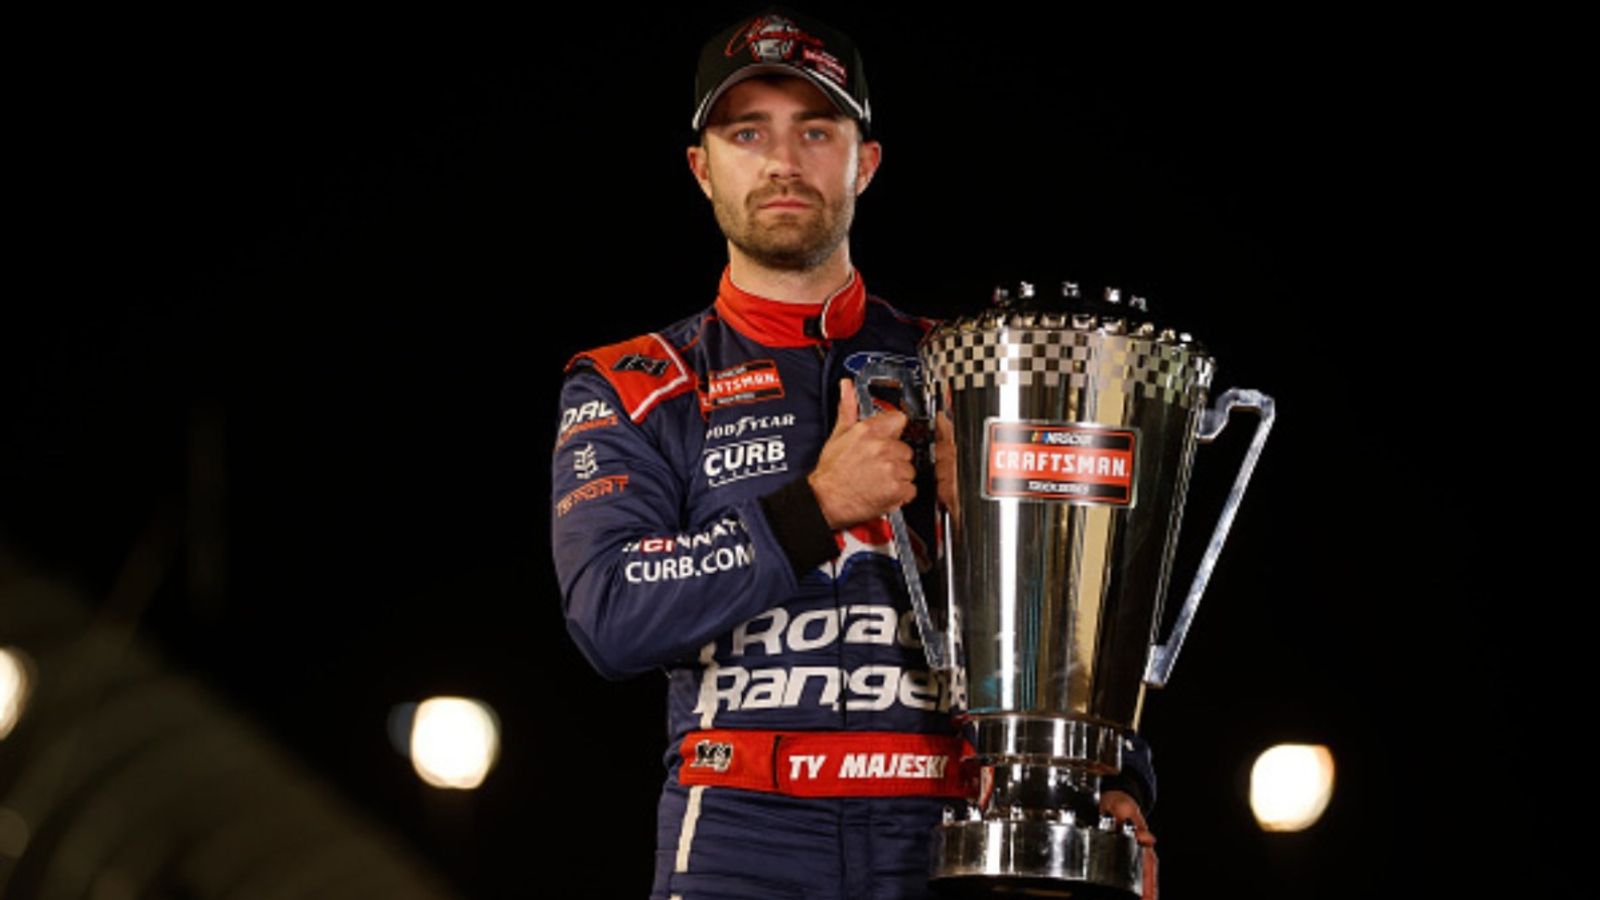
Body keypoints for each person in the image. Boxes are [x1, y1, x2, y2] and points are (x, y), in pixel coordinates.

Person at [550, 7, 1157, 898]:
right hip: (739, 837)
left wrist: (1122, 783)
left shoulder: (975, 369)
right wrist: (816, 506)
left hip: (949, 834)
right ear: (702, 169)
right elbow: (607, 616)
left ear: (863, 162)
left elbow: (1083, 589)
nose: (783, 162)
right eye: (747, 131)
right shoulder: (636, 382)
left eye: (816, 130)